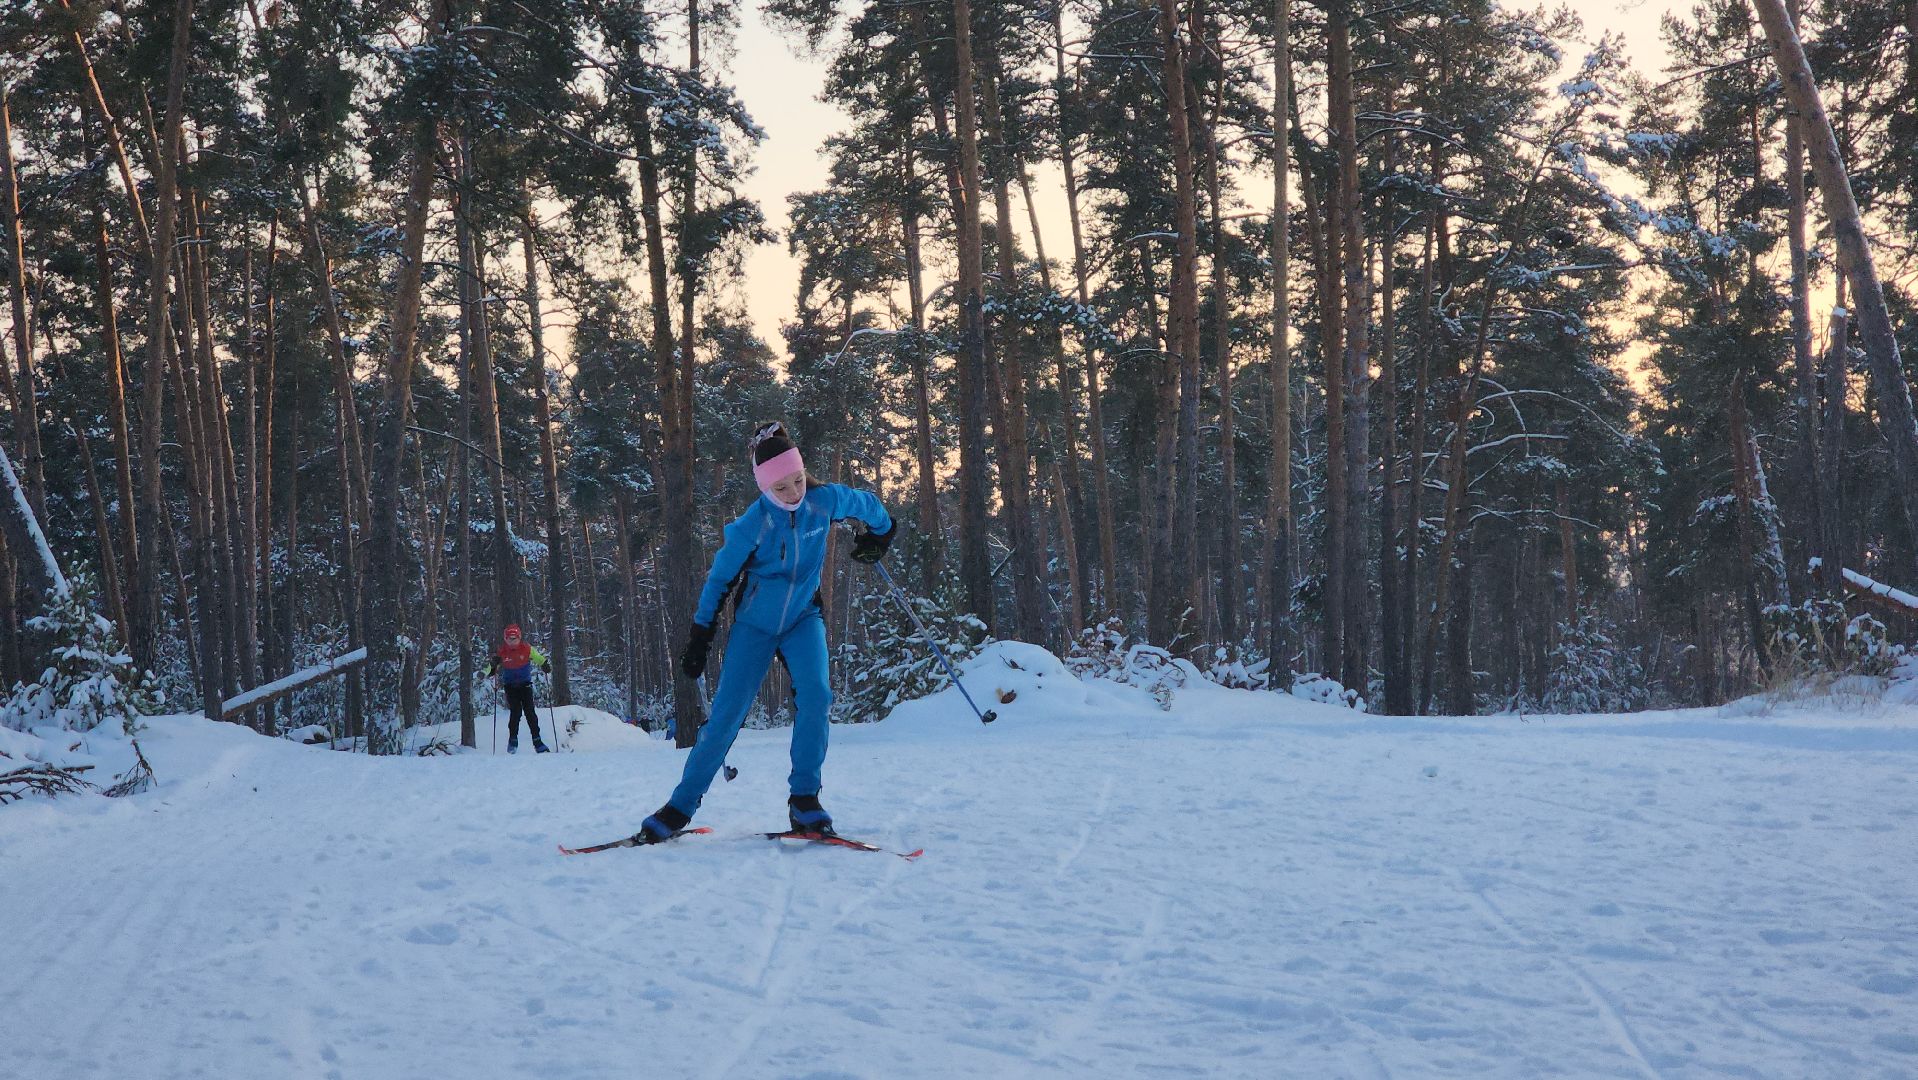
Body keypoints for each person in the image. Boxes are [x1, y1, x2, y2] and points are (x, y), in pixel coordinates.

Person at [638, 422, 894, 842]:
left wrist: (880, 537)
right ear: (763, 487)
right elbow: (719, 581)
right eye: (781, 488)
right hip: (754, 627)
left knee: (817, 696)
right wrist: (701, 635)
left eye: (797, 480)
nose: (793, 492)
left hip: (801, 620)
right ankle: (679, 807)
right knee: (726, 716)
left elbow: (868, 506)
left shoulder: (823, 501)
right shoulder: (750, 527)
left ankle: (805, 801)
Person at [487, 624, 552, 753]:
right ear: (505, 639)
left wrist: (544, 664)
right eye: (509, 639)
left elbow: (538, 658)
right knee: (515, 712)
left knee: (530, 712)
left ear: (519, 638)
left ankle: (537, 741)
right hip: (510, 686)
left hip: (525, 684)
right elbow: (491, 666)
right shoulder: (502, 651)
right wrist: (491, 669)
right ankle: (513, 741)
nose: (512, 642)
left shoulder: (526, 649)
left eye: (515, 639)